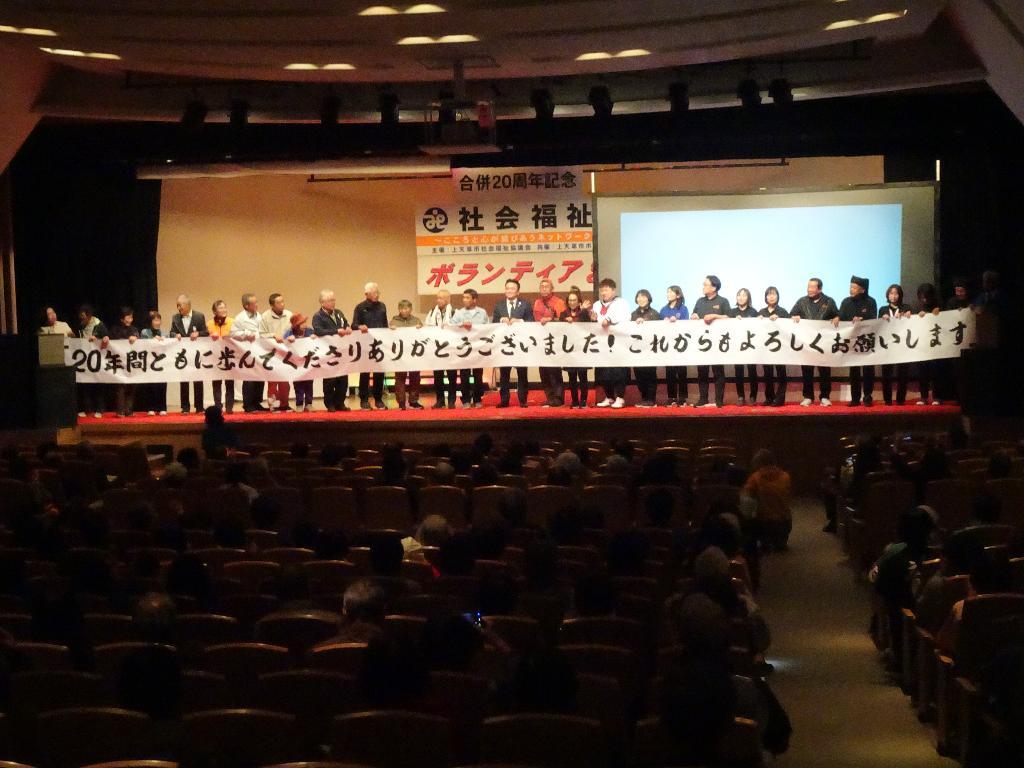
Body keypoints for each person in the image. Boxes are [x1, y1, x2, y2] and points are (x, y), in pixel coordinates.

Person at [790, 278, 838, 407]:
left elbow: (837, 315)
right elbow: (791, 315)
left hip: (823, 343)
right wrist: (795, 317)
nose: (809, 289)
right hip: (807, 343)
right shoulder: (802, 301)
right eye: (808, 287)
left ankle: (825, 396)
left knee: (825, 371)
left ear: (820, 289)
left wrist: (837, 318)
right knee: (807, 371)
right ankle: (808, 396)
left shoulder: (829, 301)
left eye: (812, 287)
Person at [492, 278, 534, 408]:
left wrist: (519, 321)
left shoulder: (525, 304)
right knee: (504, 374)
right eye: (507, 288)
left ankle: (523, 400)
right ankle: (504, 400)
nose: (509, 291)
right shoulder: (498, 305)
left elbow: (531, 321)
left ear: (518, 292)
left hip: (520, 344)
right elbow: (493, 324)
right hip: (505, 344)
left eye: (512, 288)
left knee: (522, 373)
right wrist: (501, 320)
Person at [837, 275, 878, 407]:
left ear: (862, 290)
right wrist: (837, 318)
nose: (851, 290)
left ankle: (867, 396)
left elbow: (873, 318)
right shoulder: (846, 302)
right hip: (852, 340)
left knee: (868, 370)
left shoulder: (871, 302)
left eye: (854, 288)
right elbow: (841, 317)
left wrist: (862, 319)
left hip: (866, 339)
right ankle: (855, 398)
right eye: (850, 287)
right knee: (853, 370)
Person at [691, 275, 731, 408]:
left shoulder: (723, 301)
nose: (703, 287)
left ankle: (719, 400)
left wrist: (715, 316)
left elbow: (729, 317)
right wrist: (694, 316)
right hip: (702, 342)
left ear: (714, 287)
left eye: (705, 284)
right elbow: (694, 315)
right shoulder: (699, 301)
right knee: (702, 371)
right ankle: (703, 399)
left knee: (718, 371)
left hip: (718, 343)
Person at [743, 449, 792, 551]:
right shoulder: (785, 476)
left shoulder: (755, 478)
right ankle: (780, 541)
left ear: (758, 463)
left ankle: (765, 542)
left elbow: (746, 498)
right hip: (785, 522)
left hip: (765, 523)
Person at [311, 289, 351, 412]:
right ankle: (330, 404)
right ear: (322, 302)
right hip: (328, 352)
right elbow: (318, 331)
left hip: (341, 350)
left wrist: (348, 328)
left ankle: (340, 403)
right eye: (330, 300)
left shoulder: (338, 313)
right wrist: (336, 331)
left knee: (343, 379)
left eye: (333, 300)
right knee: (330, 380)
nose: (333, 302)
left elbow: (345, 323)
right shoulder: (318, 316)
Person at [593, 278, 630, 409]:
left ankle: (620, 397)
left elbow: (625, 317)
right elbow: (596, 321)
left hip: (618, 343)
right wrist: (592, 318)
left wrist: (609, 319)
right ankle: (609, 397)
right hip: (602, 343)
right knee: (603, 371)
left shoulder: (622, 303)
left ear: (614, 290)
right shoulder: (596, 305)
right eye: (602, 290)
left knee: (618, 370)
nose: (604, 293)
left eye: (607, 290)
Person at [170, 294, 208, 414]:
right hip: (182, 354)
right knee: (184, 381)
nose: (178, 308)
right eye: (177, 305)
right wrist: (175, 335)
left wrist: (198, 334)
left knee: (198, 380)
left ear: (187, 305)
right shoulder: (175, 318)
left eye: (180, 305)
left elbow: (206, 332)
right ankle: (185, 407)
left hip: (196, 353)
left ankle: (199, 407)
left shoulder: (199, 316)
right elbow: (171, 332)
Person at [353, 282, 389, 410]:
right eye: (374, 292)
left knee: (379, 373)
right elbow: (354, 325)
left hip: (379, 345)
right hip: (365, 345)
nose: (377, 295)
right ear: (366, 294)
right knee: (365, 374)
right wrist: (359, 327)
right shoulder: (360, 307)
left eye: (378, 292)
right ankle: (364, 400)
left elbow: (385, 324)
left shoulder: (382, 306)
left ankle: (378, 399)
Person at [452, 288, 488, 408]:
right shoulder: (459, 313)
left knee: (478, 375)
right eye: (463, 297)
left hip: (478, 348)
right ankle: (466, 400)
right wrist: (461, 325)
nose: (464, 300)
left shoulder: (482, 312)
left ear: (474, 300)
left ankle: (477, 399)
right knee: (464, 375)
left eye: (467, 298)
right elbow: (451, 325)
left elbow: (487, 328)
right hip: (464, 349)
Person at [231, 293, 268, 412]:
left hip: (260, 350)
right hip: (247, 351)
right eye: (254, 303)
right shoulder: (240, 318)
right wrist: (246, 334)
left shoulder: (259, 316)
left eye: (257, 302)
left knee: (260, 377)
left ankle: (257, 402)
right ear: (246, 306)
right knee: (249, 378)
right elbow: (233, 333)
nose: (257, 305)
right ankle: (248, 404)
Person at [533, 278, 567, 407]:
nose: (544, 288)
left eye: (546, 286)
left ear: (552, 289)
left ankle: (558, 398)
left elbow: (563, 320)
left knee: (554, 370)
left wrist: (550, 319)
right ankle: (549, 397)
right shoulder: (537, 303)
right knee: (543, 371)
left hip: (554, 340)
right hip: (540, 341)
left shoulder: (558, 302)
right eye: (542, 286)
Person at [559, 286, 594, 409]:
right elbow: (558, 329)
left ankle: (583, 400)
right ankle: (574, 401)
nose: (572, 302)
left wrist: (579, 313)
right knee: (571, 377)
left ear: (579, 301)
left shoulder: (584, 312)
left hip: (582, 349)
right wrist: (565, 321)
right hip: (569, 350)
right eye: (570, 300)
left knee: (583, 376)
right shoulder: (563, 314)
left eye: (574, 300)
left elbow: (587, 326)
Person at [259, 292, 293, 411]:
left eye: (283, 301)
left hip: (285, 352)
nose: (282, 304)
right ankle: (273, 405)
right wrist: (273, 335)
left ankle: (284, 404)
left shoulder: (289, 314)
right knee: (272, 380)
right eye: (279, 303)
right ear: (272, 305)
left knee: (284, 380)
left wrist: (292, 336)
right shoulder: (265, 316)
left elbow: (294, 330)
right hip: (271, 352)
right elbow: (261, 334)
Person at [424, 289, 457, 409]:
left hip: (450, 349)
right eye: (437, 298)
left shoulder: (454, 312)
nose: (438, 300)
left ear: (448, 299)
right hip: (436, 349)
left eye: (441, 298)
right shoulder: (432, 312)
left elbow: (458, 328)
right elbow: (427, 326)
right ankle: (440, 400)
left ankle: (452, 401)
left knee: (452, 377)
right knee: (438, 377)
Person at [879, 284, 911, 406]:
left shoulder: (906, 308)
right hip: (887, 345)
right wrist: (882, 318)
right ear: (887, 295)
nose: (893, 296)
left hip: (902, 344)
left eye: (896, 293)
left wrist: (907, 315)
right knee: (886, 373)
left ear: (900, 295)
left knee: (903, 372)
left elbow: (912, 322)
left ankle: (900, 399)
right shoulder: (883, 309)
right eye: (891, 293)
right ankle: (887, 399)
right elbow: (877, 325)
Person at [389, 300, 424, 410]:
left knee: (415, 377)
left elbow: (423, 336)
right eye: (402, 309)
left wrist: (421, 329)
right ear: (399, 309)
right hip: (400, 354)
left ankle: (414, 401)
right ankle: (401, 402)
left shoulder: (416, 320)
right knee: (400, 378)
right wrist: (390, 330)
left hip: (414, 353)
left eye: (407, 308)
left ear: (411, 309)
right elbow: (388, 337)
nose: (404, 311)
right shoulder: (394, 321)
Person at [758, 286, 789, 407]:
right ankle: (769, 398)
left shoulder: (783, 311)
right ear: (765, 297)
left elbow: (789, 328)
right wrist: (758, 320)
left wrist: (779, 320)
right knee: (767, 374)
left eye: (774, 294)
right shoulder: (761, 312)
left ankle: (780, 399)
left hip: (780, 348)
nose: (771, 297)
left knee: (781, 374)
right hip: (766, 348)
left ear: (778, 296)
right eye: (769, 294)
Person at [76, 304, 109, 418]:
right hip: (84, 359)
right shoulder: (81, 326)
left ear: (89, 315)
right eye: (80, 316)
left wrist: (101, 338)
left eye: (83, 315)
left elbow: (106, 337)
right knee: (84, 385)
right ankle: (86, 409)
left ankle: (99, 409)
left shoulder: (98, 324)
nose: (82, 318)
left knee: (97, 385)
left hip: (97, 360)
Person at [660, 285, 689, 407]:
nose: (668, 294)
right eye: (667, 292)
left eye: (671, 292)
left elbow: (686, 324)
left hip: (680, 344)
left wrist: (677, 321)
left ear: (678, 295)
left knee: (682, 372)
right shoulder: (663, 309)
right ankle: (671, 397)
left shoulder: (683, 309)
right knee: (670, 372)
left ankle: (682, 398)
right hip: (667, 344)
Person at [913, 283, 942, 405]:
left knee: (936, 372)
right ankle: (923, 397)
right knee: (922, 372)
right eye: (922, 297)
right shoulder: (917, 307)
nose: (924, 300)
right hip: (922, 345)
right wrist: (917, 315)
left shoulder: (939, 306)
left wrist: (939, 313)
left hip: (936, 345)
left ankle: (937, 397)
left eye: (926, 297)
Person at [109, 306, 140, 417]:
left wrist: (136, 337)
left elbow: (138, 338)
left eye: (131, 317)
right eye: (128, 317)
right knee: (120, 387)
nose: (130, 319)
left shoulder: (134, 329)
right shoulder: (115, 329)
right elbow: (111, 342)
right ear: (122, 319)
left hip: (131, 363)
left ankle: (129, 410)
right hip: (119, 363)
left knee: (132, 387)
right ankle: (120, 410)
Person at [729, 287, 759, 406]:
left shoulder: (754, 312)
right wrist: (732, 320)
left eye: (744, 295)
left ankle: (753, 396)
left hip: (751, 346)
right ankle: (740, 396)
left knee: (752, 371)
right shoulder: (732, 312)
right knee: (738, 372)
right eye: (739, 295)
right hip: (737, 347)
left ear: (748, 298)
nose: (741, 297)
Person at [631, 289, 660, 407]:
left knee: (650, 374)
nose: (641, 299)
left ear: (649, 299)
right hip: (637, 350)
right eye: (639, 297)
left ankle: (651, 399)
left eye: (643, 297)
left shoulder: (655, 313)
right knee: (638, 374)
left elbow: (658, 329)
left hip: (650, 349)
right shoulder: (633, 314)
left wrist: (646, 322)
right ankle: (644, 398)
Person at [208, 299, 235, 414]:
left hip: (229, 355)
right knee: (216, 383)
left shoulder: (232, 322)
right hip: (215, 356)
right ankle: (218, 406)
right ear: (214, 311)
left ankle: (229, 407)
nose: (223, 310)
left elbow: (236, 335)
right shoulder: (209, 323)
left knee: (229, 383)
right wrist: (211, 335)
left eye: (224, 307)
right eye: (220, 308)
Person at [283, 312, 315, 412]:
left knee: (309, 383)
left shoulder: (310, 331)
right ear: (296, 325)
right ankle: (299, 404)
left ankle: (309, 404)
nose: (305, 324)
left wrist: (315, 337)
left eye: (305, 322)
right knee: (298, 384)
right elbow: (282, 344)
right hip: (296, 363)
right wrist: (287, 339)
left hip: (308, 362)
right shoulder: (289, 332)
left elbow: (318, 340)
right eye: (302, 323)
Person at [140, 311, 168, 416]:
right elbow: (142, 344)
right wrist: (153, 340)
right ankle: (151, 407)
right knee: (151, 386)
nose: (157, 322)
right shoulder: (145, 332)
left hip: (161, 362)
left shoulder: (164, 333)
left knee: (162, 385)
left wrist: (164, 341)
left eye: (158, 320)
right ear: (150, 321)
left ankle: (162, 407)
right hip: (149, 362)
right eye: (155, 320)